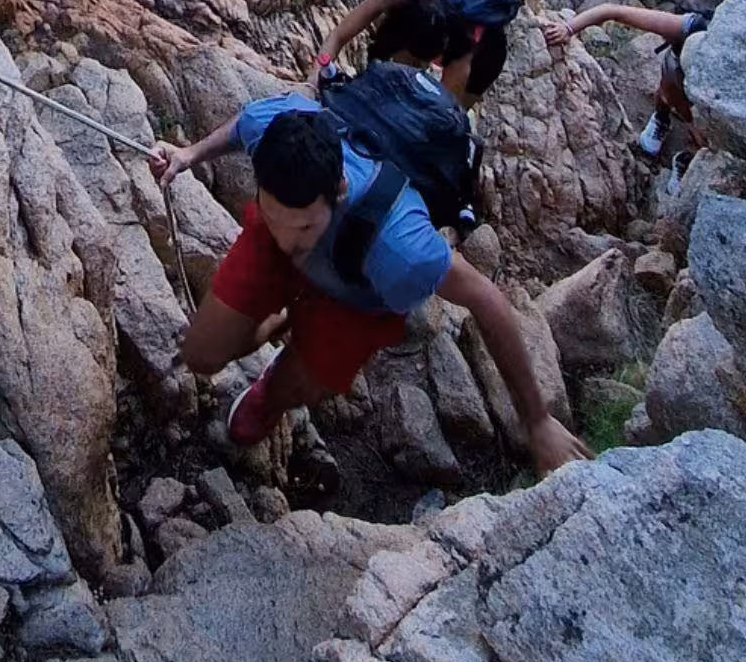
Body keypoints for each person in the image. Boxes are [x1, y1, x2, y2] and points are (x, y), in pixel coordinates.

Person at [150, 87, 591, 475]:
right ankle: (285, 317)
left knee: (296, 385)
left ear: (340, 189)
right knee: (203, 354)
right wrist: (189, 154)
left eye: (303, 227)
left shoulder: (404, 251)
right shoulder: (276, 130)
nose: (288, 241)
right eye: (275, 216)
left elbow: (486, 298)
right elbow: (246, 122)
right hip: (326, 257)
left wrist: (536, 420)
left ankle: (273, 387)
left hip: (359, 293)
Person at [541, 3, 710, 157]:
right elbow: (613, 11)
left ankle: (689, 155)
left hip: (693, 85)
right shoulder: (693, 27)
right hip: (676, 73)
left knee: (701, 133)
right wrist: (568, 28)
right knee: (668, 94)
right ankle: (662, 118)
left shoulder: (694, 31)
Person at [307, 0, 446, 84]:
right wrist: (313, 82)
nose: (417, 67)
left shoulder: (454, 36)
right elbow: (338, 37)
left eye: (419, 65)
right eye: (414, 63)